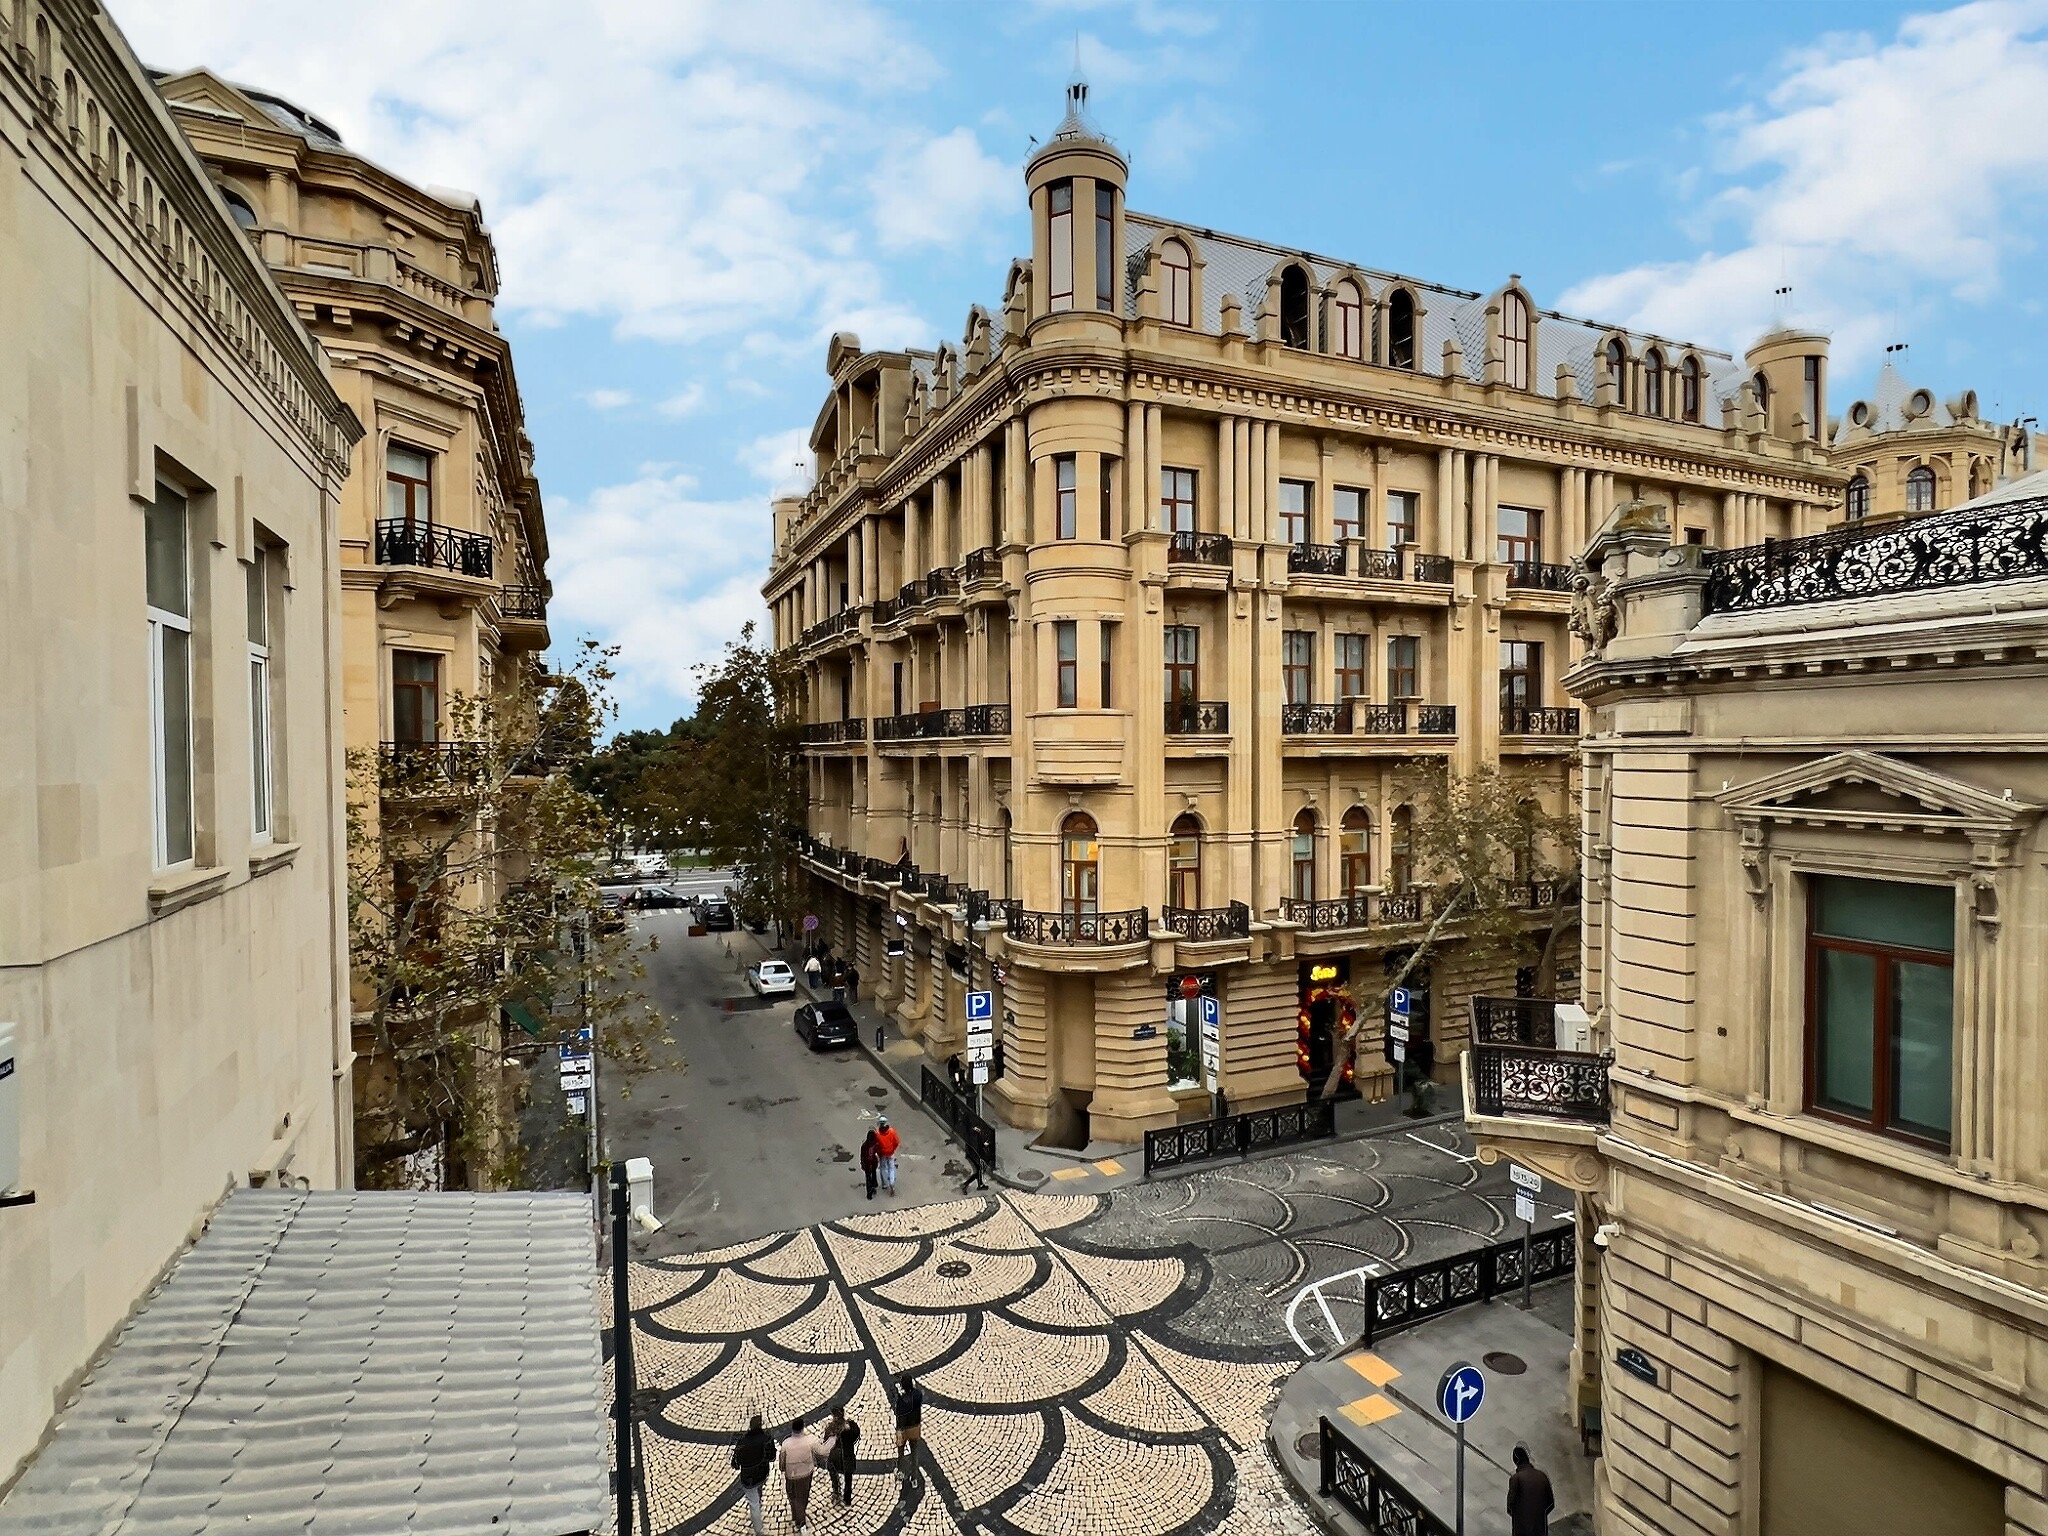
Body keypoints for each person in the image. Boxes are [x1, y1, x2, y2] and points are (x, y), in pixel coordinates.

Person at [779, 1415, 823, 1534]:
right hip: (806, 1474)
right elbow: (820, 1452)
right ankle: (799, 1516)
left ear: (792, 1429)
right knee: (803, 1496)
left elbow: (782, 1461)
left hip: (791, 1475)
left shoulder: (786, 1444)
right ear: (802, 1429)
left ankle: (800, 1520)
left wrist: (782, 1469)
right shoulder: (810, 1440)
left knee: (793, 1496)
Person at [730, 1414, 773, 1536]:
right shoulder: (766, 1438)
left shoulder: (742, 1442)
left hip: (748, 1479)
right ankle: (758, 1512)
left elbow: (735, 1464)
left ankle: (758, 1531)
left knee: (753, 1503)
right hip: (762, 1473)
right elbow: (772, 1457)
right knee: (758, 1493)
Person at [1506, 1444, 1555, 1536]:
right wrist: (1539, 1514)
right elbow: (1551, 1503)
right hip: (1539, 1527)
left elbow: (1510, 1506)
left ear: (1516, 1462)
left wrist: (1519, 1518)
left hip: (1522, 1529)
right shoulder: (1542, 1475)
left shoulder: (1516, 1479)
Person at [822, 1405, 859, 1505]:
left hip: (835, 1456)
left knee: (833, 1473)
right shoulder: (850, 1426)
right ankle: (847, 1498)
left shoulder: (830, 1427)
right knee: (848, 1477)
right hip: (847, 1455)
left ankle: (836, 1493)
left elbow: (825, 1441)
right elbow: (856, 1436)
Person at [892, 1374, 923, 1480]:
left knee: (901, 1452)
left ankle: (901, 1471)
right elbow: (916, 1395)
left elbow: (898, 1412)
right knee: (914, 1452)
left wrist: (899, 1396)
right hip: (915, 1427)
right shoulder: (918, 1395)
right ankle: (914, 1477)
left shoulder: (902, 1400)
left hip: (903, 1429)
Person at [875, 1117, 901, 1197]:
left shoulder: (878, 1134)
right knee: (891, 1168)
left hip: (882, 1154)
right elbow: (897, 1142)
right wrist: (893, 1149)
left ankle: (884, 1184)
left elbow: (876, 1145)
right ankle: (891, 1183)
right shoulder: (891, 1131)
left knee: (882, 1168)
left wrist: (878, 1153)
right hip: (890, 1153)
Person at [859, 1127, 882, 1202]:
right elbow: (862, 1156)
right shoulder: (866, 1146)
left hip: (872, 1162)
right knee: (868, 1177)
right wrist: (862, 1164)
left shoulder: (872, 1144)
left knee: (872, 1175)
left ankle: (873, 1186)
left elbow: (878, 1151)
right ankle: (870, 1192)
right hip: (868, 1163)